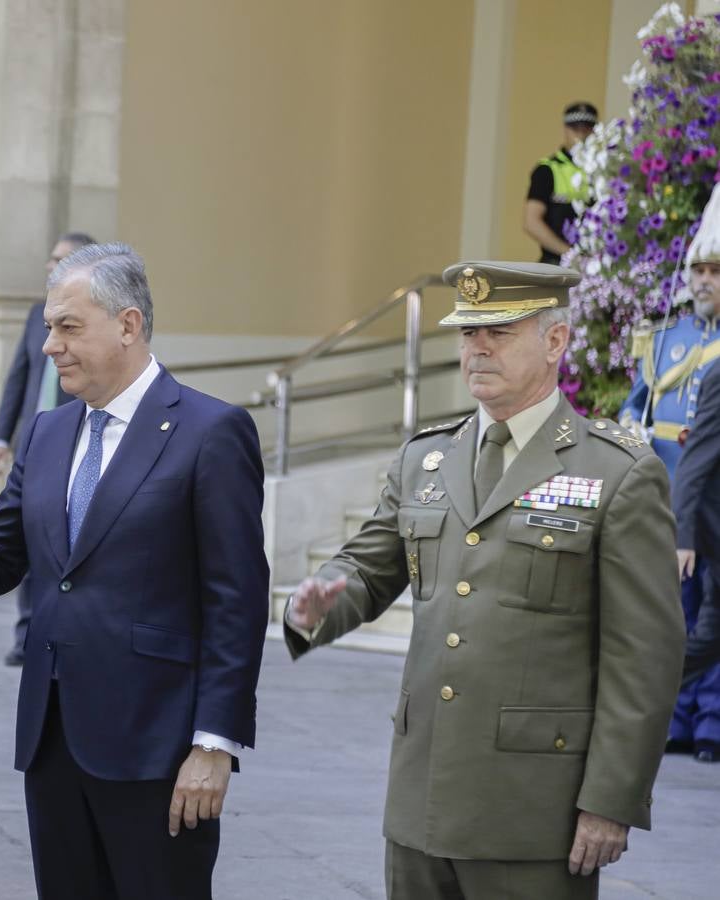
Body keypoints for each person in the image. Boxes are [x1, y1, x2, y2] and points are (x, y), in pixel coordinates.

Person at [285, 260, 684, 899]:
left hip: (532, 812)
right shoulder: (426, 458)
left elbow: (646, 657)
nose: (476, 347)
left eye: (498, 332)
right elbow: (364, 568)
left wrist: (611, 798)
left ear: (555, 342)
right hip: (420, 802)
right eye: (468, 332)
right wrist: (314, 606)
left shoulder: (616, 472)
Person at [0, 242, 269, 899]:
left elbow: (238, 601)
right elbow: (0, 547)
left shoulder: (210, 432)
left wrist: (215, 744)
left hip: (158, 751)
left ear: (128, 325)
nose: (49, 346)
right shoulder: (49, 430)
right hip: (52, 740)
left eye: (68, 327)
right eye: (49, 327)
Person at [629, 182, 720, 762]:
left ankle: (709, 723)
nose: (703, 281)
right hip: (664, 486)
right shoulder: (667, 338)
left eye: (714, 272)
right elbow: (637, 402)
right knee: (675, 613)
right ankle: (670, 721)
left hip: (705, 495)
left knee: (708, 622)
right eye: (698, 272)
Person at [0, 231, 95, 665]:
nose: (51, 266)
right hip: (32, 442)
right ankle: (26, 635)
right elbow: (18, 378)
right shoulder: (37, 316)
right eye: (51, 259)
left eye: (62, 260)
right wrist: (1, 436)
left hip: (75, 444)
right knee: (28, 538)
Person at [524, 102, 597, 263]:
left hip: (597, 264)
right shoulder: (548, 169)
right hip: (556, 263)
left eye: (586, 129)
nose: (581, 135)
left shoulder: (604, 170)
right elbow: (531, 222)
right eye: (575, 129)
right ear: (565, 129)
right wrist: (571, 255)